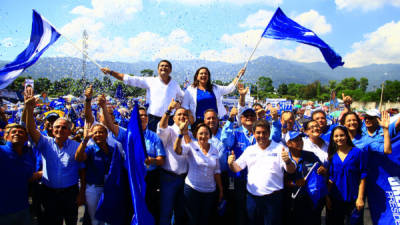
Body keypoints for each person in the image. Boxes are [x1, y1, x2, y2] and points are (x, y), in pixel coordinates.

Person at [99, 95, 166, 224]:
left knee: (149, 207)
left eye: (145, 115)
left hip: (149, 178)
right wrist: (103, 107)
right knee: (131, 208)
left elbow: (161, 160)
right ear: (134, 118)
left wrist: (152, 160)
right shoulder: (127, 134)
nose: (143, 117)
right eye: (139, 115)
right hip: (131, 177)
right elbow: (111, 126)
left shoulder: (154, 137)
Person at [24, 89, 85, 225]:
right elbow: (31, 129)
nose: (60, 130)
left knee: (71, 221)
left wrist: (81, 193)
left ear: (70, 130)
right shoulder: (45, 143)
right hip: (49, 193)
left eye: (64, 128)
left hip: (70, 193)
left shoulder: (76, 146)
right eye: (57, 127)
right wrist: (28, 108)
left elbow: (82, 171)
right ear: (52, 129)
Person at [228, 120, 296, 225]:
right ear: (254, 133)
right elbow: (236, 168)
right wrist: (231, 163)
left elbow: (291, 170)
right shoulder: (249, 150)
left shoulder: (280, 148)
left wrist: (287, 161)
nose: (261, 135)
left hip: (273, 199)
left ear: (269, 133)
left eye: (264, 132)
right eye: (258, 133)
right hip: (252, 198)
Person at [101, 60, 184, 132]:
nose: (164, 67)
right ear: (158, 69)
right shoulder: (151, 81)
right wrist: (111, 72)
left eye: (166, 66)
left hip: (170, 119)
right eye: (161, 66)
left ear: (170, 70)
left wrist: (178, 103)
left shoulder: (175, 84)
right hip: (153, 120)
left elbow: (181, 97)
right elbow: (130, 79)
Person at [174, 122, 223, 225]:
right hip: (192, 190)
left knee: (205, 220)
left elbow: (217, 171)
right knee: (193, 220)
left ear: (210, 135)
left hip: (210, 191)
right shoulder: (191, 146)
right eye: (201, 133)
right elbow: (177, 150)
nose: (203, 136)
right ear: (196, 135)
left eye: (206, 133)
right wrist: (180, 135)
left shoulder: (214, 150)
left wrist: (221, 189)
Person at [221, 107, 257, 225]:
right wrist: (230, 119)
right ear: (240, 119)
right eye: (246, 115)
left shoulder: (260, 134)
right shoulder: (235, 133)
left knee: (252, 209)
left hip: (254, 179)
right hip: (235, 178)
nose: (249, 118)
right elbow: (225, 140)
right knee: (236, 207)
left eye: (252, 115)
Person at [157, 99, 190, 225]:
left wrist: (185, 132)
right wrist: (168, 110)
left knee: (180, 213)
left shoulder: (191, 134)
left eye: (185, 114)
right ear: (174, 118)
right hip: (169, 178)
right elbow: (161, 128)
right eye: (179, 114)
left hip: (185, 179)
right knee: (166, 212)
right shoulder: (169, 130)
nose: (182, 116)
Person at [74, 124, 115, 225]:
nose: (98, 134)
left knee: (109, 219)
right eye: (95, 133)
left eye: (101, 132)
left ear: (106, 134)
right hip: (93, 190)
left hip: (109, 189)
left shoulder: (113, 151)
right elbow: (78, 157)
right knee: (95, 220)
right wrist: (85, 140)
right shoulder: (90, 150)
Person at [326, 126, 367, 225]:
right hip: (336, 198)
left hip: (353, 198)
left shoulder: (357, 153)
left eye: (342, 135)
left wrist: (360, 198)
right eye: (336, 136)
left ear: (347, 136)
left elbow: (363, 176)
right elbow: (330, 178)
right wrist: (327, 197)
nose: (339, 138)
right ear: (332, 138)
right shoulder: (332, 155)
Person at [282, 131, 326, 225]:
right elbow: (279, 181)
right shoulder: (283, 158)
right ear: (288, 143)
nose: (300, 142)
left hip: (310, 200)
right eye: (296, 140)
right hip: (290, 201)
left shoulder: (310, 155)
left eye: (300, 139)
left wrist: (323, 170)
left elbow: (322, 170)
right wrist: (294, 183)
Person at [0, 124, 36, 225]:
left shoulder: (29, 155)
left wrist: (41, 173)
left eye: (21, 132)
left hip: (23, 209)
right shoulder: (1, 151)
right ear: (6, 137)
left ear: (26, 138)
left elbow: (28, 177)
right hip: (2, 212)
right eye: (14, 132)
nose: (17, 134)